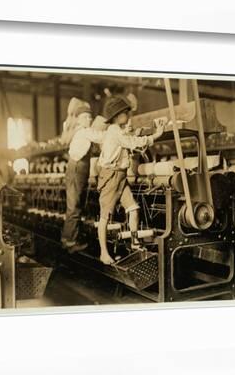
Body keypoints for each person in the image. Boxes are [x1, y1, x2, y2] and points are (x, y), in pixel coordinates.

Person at [97, 96, 164, 264]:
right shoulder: (114, 131)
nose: (128, 115)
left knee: (133, 208)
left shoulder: (117, 130)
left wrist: (137, 132)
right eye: (126, 112)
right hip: (111, 176)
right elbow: (132, 142)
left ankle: (134, 242)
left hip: (120, 176)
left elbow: (129, 137)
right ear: (118, 115)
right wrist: (155, 135)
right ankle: (103, 253)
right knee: (105, 217)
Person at [61, 101, 106, 253]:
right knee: (74, 206)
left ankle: (67, 239)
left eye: (90, 117)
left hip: (77, 169)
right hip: (77, 169)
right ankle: (70, 242)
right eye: (86, 117)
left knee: (74, 206)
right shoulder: (84, 131)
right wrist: (116, 132)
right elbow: (101, 137)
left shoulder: (81, 132)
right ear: (79, 120)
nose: (89, 120)